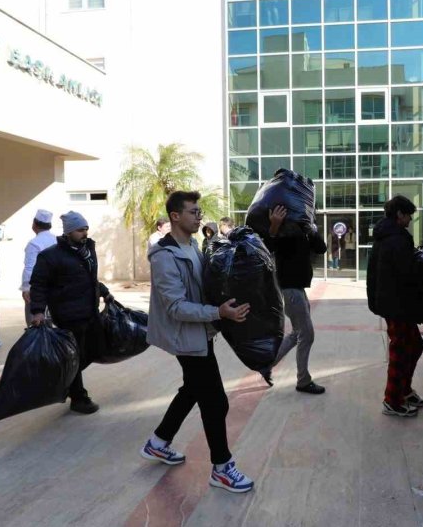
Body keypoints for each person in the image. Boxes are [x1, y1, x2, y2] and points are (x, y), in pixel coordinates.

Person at [140, 191, 255, 494]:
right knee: (215, 402)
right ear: (175, 217)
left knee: (192, 388)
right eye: (193, 211)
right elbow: (175, 307)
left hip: (200, 333)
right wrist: (218, 312)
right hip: (186, 338)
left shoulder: (192, 245)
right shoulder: (164, 256)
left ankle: (158, 442)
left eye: (199, 211)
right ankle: (221, 468)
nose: (199, 216)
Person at [29, 211, 111, 415]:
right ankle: (79, 397)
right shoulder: (50, 256)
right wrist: (37, 311)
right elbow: (38, 285)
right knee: (74, 356)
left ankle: (63, 381)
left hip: (89, 311)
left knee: (89, 352)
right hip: (68, 314)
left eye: (86, 229)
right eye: (80, 230)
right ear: (68, 232)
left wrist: (104, 292)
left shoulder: (86, 251)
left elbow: (88, 278)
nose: (84, 233)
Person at [367, 195, 423, 418]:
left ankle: (403, 390)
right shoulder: (397, 238)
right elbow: (409, 273)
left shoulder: (385, 235)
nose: (409, 220)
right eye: (408, 215)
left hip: (392, 302)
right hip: (397, 304)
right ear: (399, 214)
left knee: (414, 346)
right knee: (401, 350)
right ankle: (393, 400)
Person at [259, 206, 328, 394]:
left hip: (298, 288)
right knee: (307, 334)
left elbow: (321, 248)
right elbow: (268, 246)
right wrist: (274, 225)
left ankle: (266, 365)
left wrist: (313, 230)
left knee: (297, 334)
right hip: (290, 289)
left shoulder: (303, 230)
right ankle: (303, 381)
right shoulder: (285, 231)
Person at [20, 210, 56, 327]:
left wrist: (26, 288)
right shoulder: (56, 240)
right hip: (55, 287)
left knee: (35, 323)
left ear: (35, 224)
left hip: (37, 289)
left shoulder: (34, 244)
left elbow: (29, 268)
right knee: (52, 321)